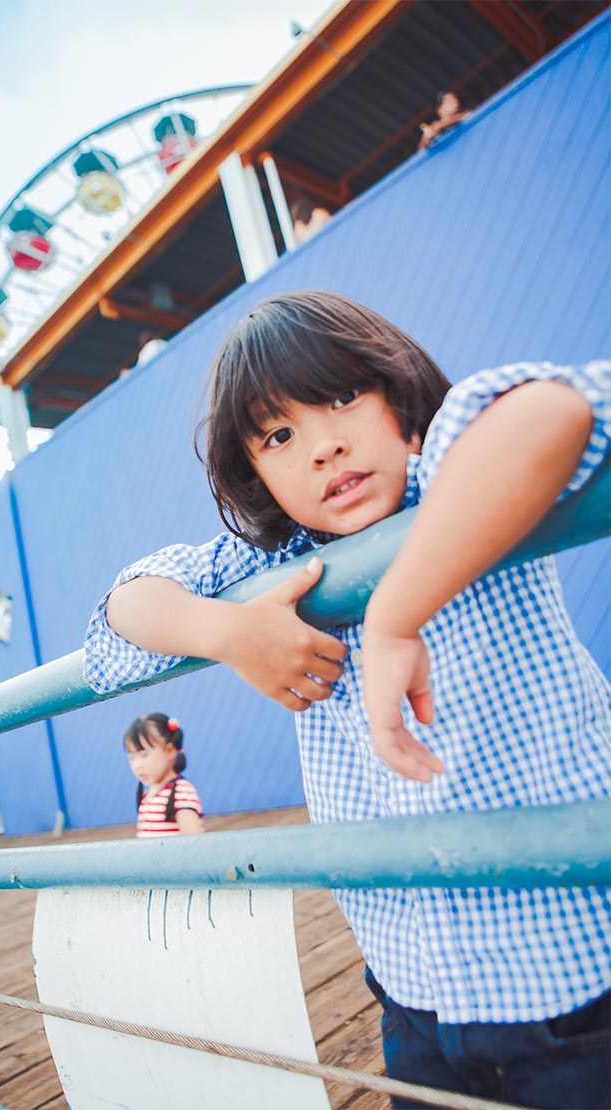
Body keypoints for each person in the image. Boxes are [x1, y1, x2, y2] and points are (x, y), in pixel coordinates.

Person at [83, 290, 610, 1106]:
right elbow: (121, 611)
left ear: (400, 404)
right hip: (411, 994)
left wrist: (397, 612)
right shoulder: (278, 564)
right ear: (254, 474)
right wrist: (229, 634)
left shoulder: (452, 479)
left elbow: (556, 410)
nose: (324, 447)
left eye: (339, 399)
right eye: (280, 436)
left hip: (572, 986)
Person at [124, 713, 202, 837]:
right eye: (131, 757)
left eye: (144, 755)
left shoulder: (182, 792)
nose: (137, 765)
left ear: (170, 750)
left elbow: (194, 844)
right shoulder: (148, 794)